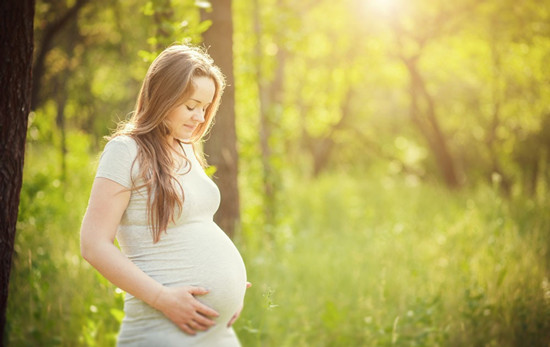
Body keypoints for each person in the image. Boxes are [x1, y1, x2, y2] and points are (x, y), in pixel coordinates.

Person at [80, 44, 249, 346]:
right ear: (163, 96)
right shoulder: (125, 150)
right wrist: (163, 298)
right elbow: (93, 245)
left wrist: (230, 288)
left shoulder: (185, 147)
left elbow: (192, 226)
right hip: (163, 329)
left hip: (214, 332)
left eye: (205, 107)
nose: (199, 117)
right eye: (190, 105)